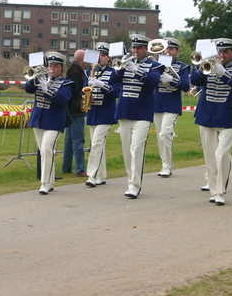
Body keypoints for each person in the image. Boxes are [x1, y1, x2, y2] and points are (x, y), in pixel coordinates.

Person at [191, 38, 232, 205]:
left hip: (227, 117)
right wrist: (203, 68)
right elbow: (194, 80)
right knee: (210, 156)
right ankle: (213, 189)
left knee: (222, 154)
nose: (222, 55)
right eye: (220, 52)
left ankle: (220, 191)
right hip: (206, 115)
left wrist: (224, 73)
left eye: (225, 52)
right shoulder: (206, 64)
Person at [113, 34, 164, 198]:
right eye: (133, 48)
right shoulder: (125, 63)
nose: (135, 51)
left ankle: (135, 186)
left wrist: (137, 71)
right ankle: (130, 181)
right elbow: (113, 80)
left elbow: (153, 82)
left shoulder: (155, 65)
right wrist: (121, 67)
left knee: (136, 149)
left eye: (139, 48)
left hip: (142, 112)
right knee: (127, 150)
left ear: (145, 50)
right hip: (125, 111)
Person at [25, 51, 73, 195]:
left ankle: (44, 183)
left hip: (54, 121)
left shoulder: (67, 83)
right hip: (39, 119)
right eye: (50, 66)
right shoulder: (41, 78)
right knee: (44, 152)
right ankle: (50, 181)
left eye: (55, 66)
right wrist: (34, 78)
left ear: (61, 68)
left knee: (46, 149)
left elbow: (62, 100)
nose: (52, 69)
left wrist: (47, 90)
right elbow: (28, 89)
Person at [84, 43, 121, 187]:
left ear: (109, 58)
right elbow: (84, 90)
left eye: (103, 55)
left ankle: (91, 175)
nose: (100, 58)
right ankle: (101, 175)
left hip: (106, 112)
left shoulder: (114, 73)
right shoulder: (88, 72)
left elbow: (116, 93)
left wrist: (102, 85)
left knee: (96, 143)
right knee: (97, 144)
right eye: (98, 55)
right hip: (92, 111)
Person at [153, 37, 190, 177]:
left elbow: (186, 86)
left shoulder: (182, 67)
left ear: (177, 51)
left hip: (172, 104)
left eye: (171, 49)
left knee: (165, 133)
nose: (168, 51)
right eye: (166, 48)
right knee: (160, 136)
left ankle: (168, 166)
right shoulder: (156, 64)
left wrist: (172, 80)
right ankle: (165, 165)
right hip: (158, 103)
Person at [62, 49, 87, 177]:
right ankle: (80, 168)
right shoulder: (77, 71)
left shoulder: (73, 69)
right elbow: (73, 88)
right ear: (81, 59)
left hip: (71, 109)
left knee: (69, 141)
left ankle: (66, 167)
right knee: (78, 140)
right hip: (76, 109)